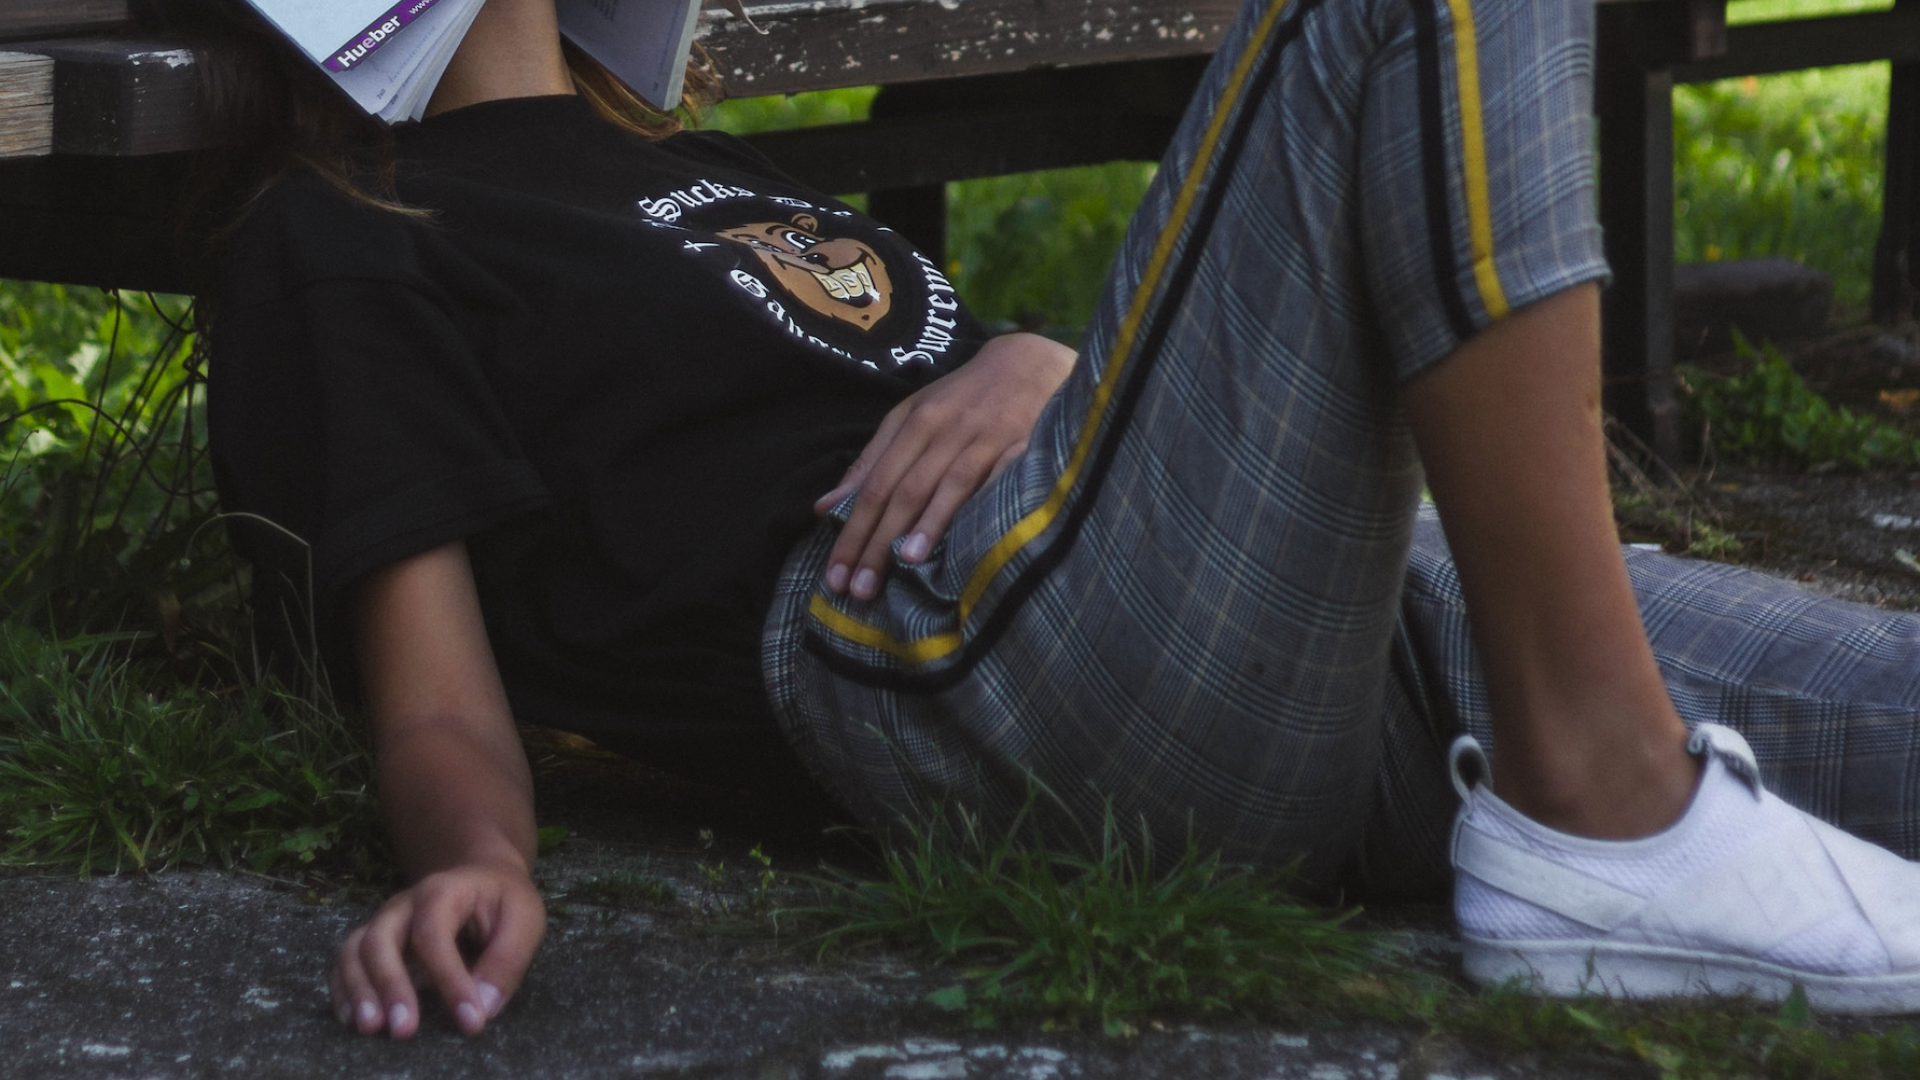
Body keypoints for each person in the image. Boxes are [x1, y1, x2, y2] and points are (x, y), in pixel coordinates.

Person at [168, 0, 1920, 1040]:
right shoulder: (340, 231)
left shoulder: (688, 165)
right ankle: (1602, 803)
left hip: (1302, 612)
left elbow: (969, 390)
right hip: (989, 672)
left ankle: (1591, 781)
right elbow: (437, 699)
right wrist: (475, 862)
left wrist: (1035, 357)